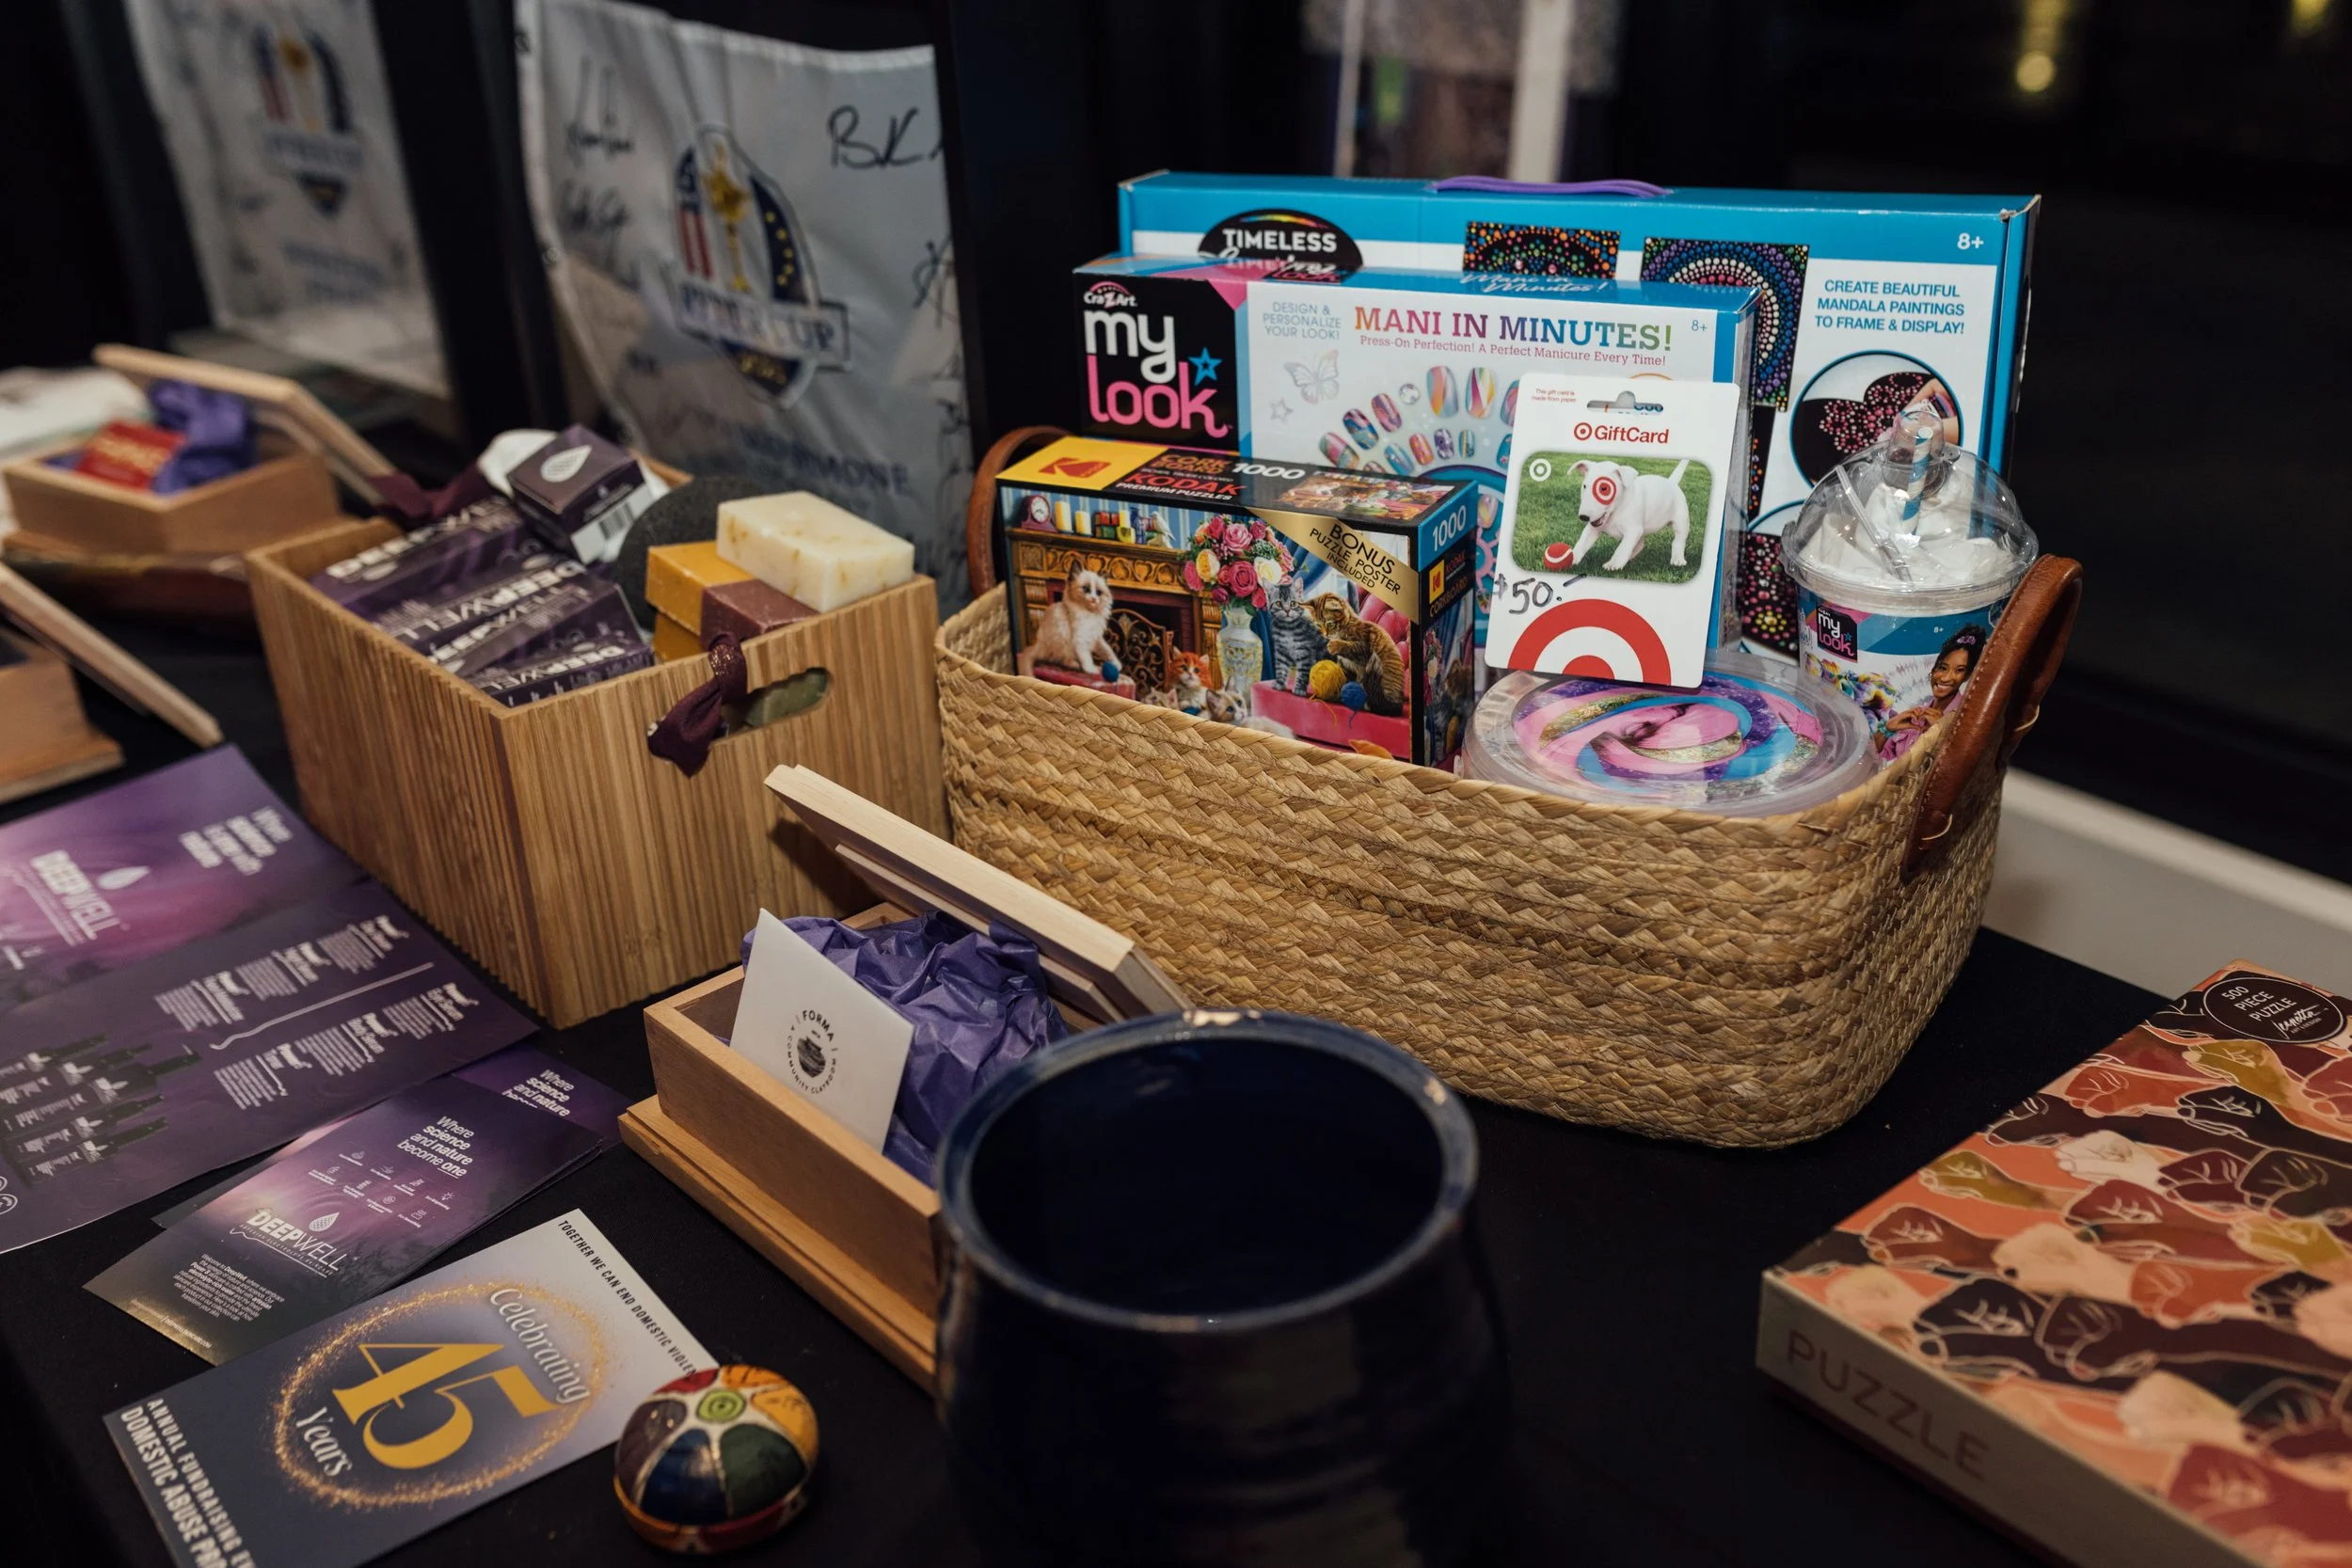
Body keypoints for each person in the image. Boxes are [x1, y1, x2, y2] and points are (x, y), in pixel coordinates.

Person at [1879, 625, 1988, 761]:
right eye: (1942, 668)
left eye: (1959, 670)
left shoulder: (1965, 719)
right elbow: (1877, 761)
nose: (1946, 678)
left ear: (1967, 675)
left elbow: (1962, 769)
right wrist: (1887, 728)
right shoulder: (1915, 715)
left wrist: (1942, 735)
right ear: (1934, 669)